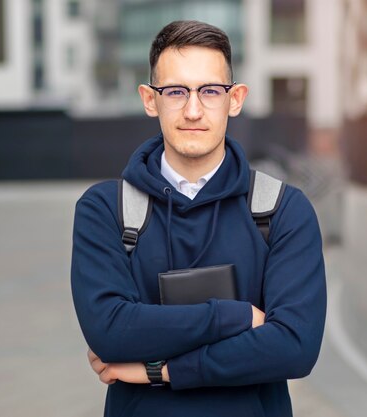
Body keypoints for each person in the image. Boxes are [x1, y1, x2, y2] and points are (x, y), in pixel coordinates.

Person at [71, 20, 326, 417]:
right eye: (175, 91)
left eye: (210, 91)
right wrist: (236, 315)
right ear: (150, 99)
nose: (193, 110)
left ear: (235, 98)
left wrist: (159, 370)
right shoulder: (106, 209)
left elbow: (295, 347)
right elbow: (111, 332)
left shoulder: (281, 209)